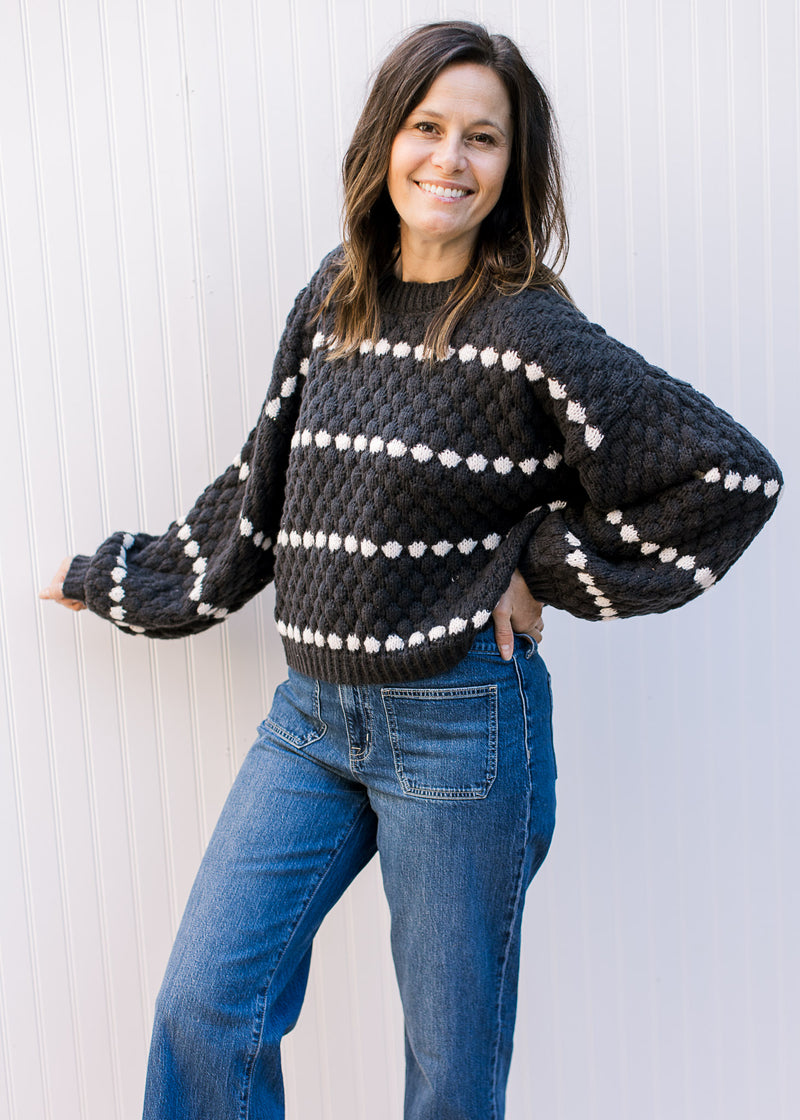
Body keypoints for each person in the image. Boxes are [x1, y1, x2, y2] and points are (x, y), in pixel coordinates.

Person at [40, 20, 781, 1120]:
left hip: (459, 726)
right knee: (203, 1006)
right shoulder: (330, 298)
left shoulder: (529, 327)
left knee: (447, 1076)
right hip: (310, 721)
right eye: (427, 126)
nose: (449, 158)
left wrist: (546, 567)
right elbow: (256, 500)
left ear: (511, 168)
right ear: (384, 140)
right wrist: (116, 578)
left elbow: (730, 478)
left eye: (482, 138)